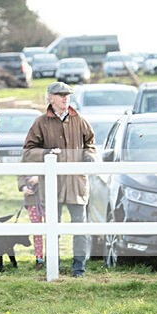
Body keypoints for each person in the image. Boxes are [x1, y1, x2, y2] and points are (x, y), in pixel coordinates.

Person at [22, 81, 96, 278]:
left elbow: (90, 143)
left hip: (76, 184)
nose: (65, 98)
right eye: (61, 95)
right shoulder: (40, 123)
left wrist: (89, 157)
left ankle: (79, 269)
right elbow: (28, 152)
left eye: (67, 95)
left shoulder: (80, 120)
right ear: (50, 98)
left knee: (80, 228)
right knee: (53, 228)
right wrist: (46, 153)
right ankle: (52, 267)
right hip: (52, 185)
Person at [18, 174, 45, 269]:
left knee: (52, 231)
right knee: (37, 231)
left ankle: (52, 257)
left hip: (48, 197)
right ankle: (39, 258)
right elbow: (20, 174)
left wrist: (40, 178)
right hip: (32, 199)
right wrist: (24, 187)